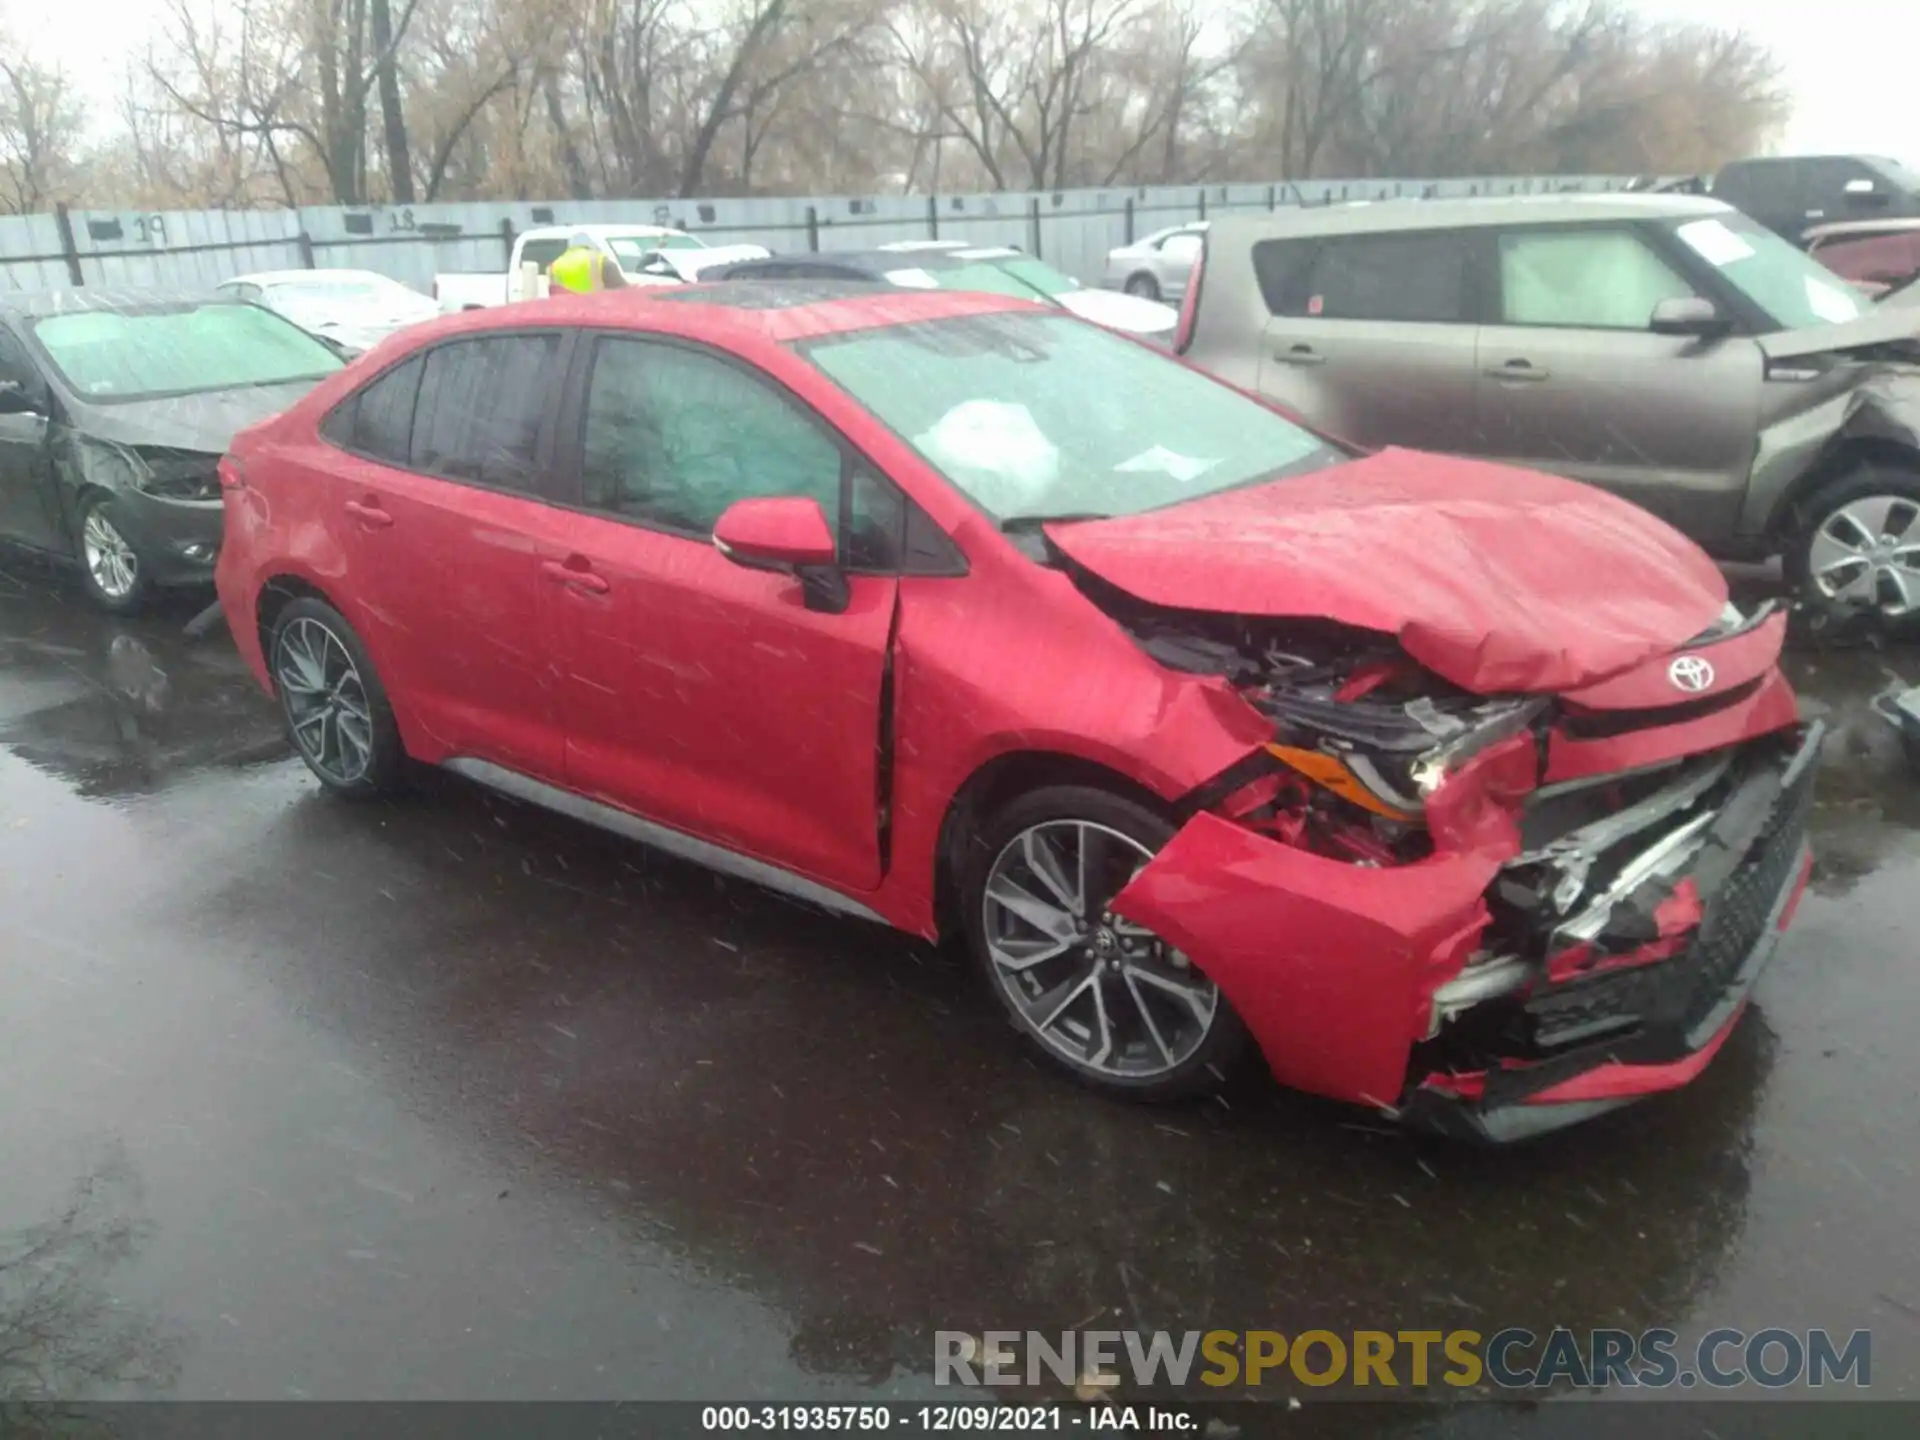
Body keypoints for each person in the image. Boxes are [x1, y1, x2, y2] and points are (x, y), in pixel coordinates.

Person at [548, 233, 630, 295]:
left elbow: (553, 292)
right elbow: (624, 291)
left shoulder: (555, 265)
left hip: (566, 314)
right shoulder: (599, 260)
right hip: (595, 312)